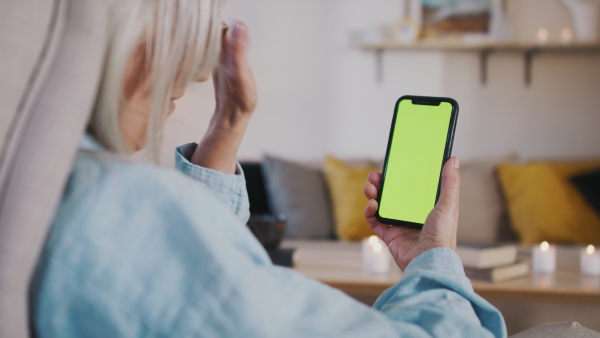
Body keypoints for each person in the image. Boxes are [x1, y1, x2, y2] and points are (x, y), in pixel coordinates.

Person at [30, 0, 506, 337]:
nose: (198, 73)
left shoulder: (45, 185)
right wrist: (436, 255)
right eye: (183, 30)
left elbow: (190, 273)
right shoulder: (111, 206)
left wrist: (229, 121)